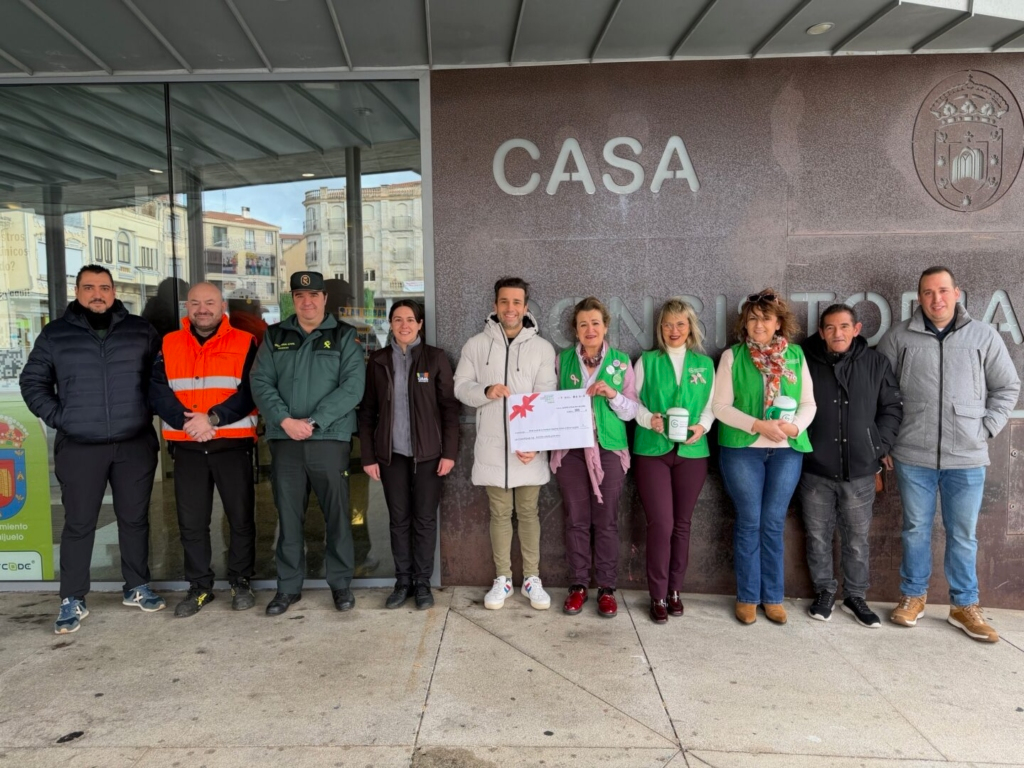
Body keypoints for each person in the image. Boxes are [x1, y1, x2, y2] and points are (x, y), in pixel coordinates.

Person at [877, 266, 1019, 642]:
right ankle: (913, 597)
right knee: (915, 529)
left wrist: (986, 428)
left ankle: (964, 605)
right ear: (918, 297)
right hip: (913, 454)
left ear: (957, 293)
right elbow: (880, 391)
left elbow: (1007, 386)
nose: (936, 299)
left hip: (967, 457)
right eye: (927, 292)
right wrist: (887, 442)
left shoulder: (983, 336)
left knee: (963, 534)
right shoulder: (899, 338)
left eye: (942, 291)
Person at [19, 265, 164, 634]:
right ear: (77, 292)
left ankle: (136, 586)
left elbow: (160, 382)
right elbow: (32, 381)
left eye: (104, 287)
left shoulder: (141, 331)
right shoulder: (56, 334)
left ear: (114, 292)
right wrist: (62, 418)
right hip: (80, 447)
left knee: (134, 519)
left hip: (133, 443)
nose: (97, 294)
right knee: (80, 523)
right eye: (88, 287)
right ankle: (72, 598)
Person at [250, 271, 365, 616]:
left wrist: (314, 422)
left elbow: (352, 387)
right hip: (286, 440)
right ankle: (288, 588)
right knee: (288, 515)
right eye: (300, 296)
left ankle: (341, 584)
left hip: (329, 439)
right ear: (293, 300)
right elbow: (260, 382)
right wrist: (285, 420)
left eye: (314, 295)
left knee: (338, 515)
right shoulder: (275, 336)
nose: (307, 301)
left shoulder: (344, 336)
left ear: (325, 299)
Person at [149, 282, 259, 617]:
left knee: (240, 518)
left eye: (209, 302)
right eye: (195, 303)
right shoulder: (169, 343)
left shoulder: (245, 342)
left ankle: (241, 580)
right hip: (188, 446)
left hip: (232, 443)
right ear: (187, 307)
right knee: (192, 522)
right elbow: (157, 389)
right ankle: (199, 588)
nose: (202, 309)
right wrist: (188, 423)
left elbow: (251, 391)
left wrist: (212, 417)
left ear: (222, 305)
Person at [713, 289, 816, 625]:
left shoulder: (796, 356)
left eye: (766, 318)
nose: (759, 324)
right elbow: (721, 407)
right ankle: (747, 597)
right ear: (745, 322)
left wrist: (793, 428)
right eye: (753, 318)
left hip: (786, 453)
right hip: (743, 451)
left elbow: (808, 404)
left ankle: (773, 598)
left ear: (778, 323)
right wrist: (758, 425)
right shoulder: (733, 357)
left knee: (773, 523)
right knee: (750, 521)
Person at [454, 276, 557, 611]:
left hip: (528, 450)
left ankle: (531, 579)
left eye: (516, 302)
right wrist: (486, 392)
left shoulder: (542, 348)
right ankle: (503, 579)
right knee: (499, 513)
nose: (510, 308)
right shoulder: (476, 345)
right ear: (495, 306)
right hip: (492, 448)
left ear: (526, 307)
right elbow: (460, 387)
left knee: (528, 513)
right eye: (504, 302)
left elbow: (547, 399)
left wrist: (537, 445)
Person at [799, 304, 903, 627]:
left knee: (857, 538)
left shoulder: (875, 362)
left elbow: (892, 409)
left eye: (844, 326)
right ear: (821, 332)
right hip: (815, 468)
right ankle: (824, 591)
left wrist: (878, 445)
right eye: (830, 328)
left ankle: (855, 596)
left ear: (857, 329)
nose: (837, 333)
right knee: (817, 535)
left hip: (859, 469)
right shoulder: (805, 360)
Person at [358, 300, 460, 610]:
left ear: (420, 325)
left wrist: (449, 453)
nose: (405, 325)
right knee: (398, 520)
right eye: (398, 319)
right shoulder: (377, 361)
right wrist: (368, 456)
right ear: (390, 323)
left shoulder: (435, 358)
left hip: (429, 455)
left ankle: (422, 583)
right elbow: (367, 412)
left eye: (410, 320)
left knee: (425, 520)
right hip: (392, 456)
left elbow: (449, 409)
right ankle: (402, 581)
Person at [550, 297, 638, 619]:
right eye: (583, 324)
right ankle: (577, 585)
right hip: (572, 450)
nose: (590, 329)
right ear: (575, 329)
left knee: (607, 522)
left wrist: (612, 395)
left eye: (595, 323)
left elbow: (632, 411)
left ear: (605, 326)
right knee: (576, 520)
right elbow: (549, 404)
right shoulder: (563, 361)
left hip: (609, 448)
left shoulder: (620, 362)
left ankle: (606, 588)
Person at [633, 299, 715, 624]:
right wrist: (646, 419)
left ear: (691, 328)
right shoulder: (648, 361)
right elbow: (631, 400)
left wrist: (702, 427)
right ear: (660, 328)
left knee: (682, 525)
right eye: (668, 324)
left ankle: (675, 591)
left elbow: (711, 405)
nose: (674, 330)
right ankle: (657, 594)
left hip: (692, 453)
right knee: (662, 524)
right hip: (652, 451)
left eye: (681, 324)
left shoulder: (704, 365)